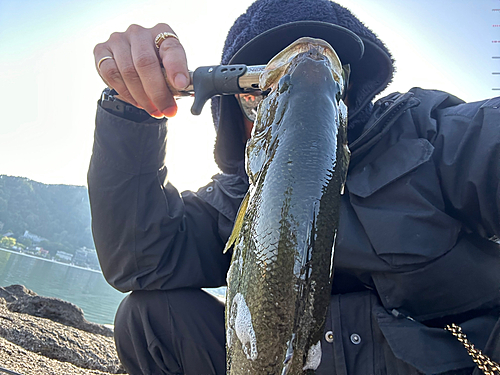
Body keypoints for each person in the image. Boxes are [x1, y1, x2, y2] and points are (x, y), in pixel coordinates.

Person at [89, 0, 500, 374]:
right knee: (148, 317)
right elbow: (141, 260)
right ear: (234, 103)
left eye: (332, 80)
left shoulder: (434, 135)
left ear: (353, 91)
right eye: (258, 93)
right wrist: (131, 108)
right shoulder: (236, 196)